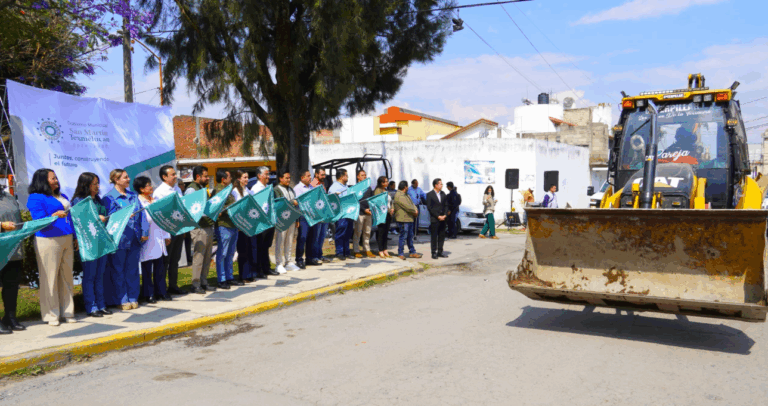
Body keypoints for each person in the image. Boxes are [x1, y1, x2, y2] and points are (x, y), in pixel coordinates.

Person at [27, 169, 76, 325]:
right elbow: (38, 220)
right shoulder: (35, 197)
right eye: (52, 178)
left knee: (67, 277)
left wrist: (74, 236)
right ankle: (51, 315)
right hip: (48, 239)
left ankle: (68, 312)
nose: (56, 180)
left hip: (67, 237)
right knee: (50, 278)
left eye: (56, 178)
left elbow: (71, 218)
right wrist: (53, 216)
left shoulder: (62, 196)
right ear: (43, 181)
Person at [103, 169, 148, 311]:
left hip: (134, 237)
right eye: (125, 177)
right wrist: (122, 215)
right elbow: (107, 218)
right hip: (119, 239)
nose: (128, 179)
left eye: (128, 177)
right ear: (116, 180)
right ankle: (121, 299)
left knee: (132, 269)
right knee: (118, 270)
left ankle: (133, 297)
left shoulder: (133, 196)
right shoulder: (109, 198)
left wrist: (144, 231)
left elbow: (141, 213)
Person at [70, 172, 112, 317]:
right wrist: (96, 218)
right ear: (85, 185)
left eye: (98, 183)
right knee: (90, 276)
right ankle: (91, 307)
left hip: (100, 241)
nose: (97, 186)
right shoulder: (79, 201)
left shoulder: (98, 200)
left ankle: (101, 304)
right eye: (94, 184)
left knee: (100, 275)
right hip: (88, 243)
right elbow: (78, 221)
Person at [135, 176, 171, 303]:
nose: (151, 187)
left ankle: (161, 291)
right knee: (147, 269)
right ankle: (148, 293)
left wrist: (167, 235)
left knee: (160, 267)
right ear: (141, 189)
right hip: (147, 239)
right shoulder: (139, 203)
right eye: (148, 185)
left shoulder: (155, 200)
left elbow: (163, 219)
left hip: (159, 237)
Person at [153, 165, 187, 296]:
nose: (175, 176)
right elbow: (160, 214)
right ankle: (161, 289)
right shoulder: (159, 192)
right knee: (165, 261)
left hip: (178, 228)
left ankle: (173, 285)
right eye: (172, 174)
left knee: (175, 259)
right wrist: (165, 234)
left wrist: (183, 227)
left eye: (175, 174)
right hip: (167, 230)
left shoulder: (177, 189)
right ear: (164, 177)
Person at [185, 166, 219, 293]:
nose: (207, 178)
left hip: (207, 226)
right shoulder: (191, 190)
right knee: (199, 257)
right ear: (198, 176)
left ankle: (204, 282)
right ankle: (195, 284)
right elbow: (190, 209)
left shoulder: (202, 189)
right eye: (205, 176)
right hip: (199, 228)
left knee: (207, 257)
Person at [0, 185, 27, 332]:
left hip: (12, 248)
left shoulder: (8, 196)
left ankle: (10, 317)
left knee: (11, 285)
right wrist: (1, 225)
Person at [214, 170, 242, 289]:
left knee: (230, 253)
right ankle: (222, 279)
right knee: (223, 253)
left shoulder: (228, 190)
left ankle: (229, 277)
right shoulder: (219, 191)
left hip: (232, 225)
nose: (231, 179)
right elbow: (217, 208)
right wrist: (232, 207)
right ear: (223, 179)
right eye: (229, 177)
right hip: (223, 225)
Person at [251, 166, 277, 276]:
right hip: (260, 222)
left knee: (266, 246)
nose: (268, 176)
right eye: (266, 174)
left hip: (269, 221)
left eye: (268, 174)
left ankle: (267, 268)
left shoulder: (268, 188)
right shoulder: (255, 189)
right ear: (259, 175)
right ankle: (259, 270)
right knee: (260, 246)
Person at [274, 170, 300, 273]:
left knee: (289, 241)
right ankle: (279, 263)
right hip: (281, 220)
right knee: (280, 241)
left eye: (289, 178)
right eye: (286, 178)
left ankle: (288, 261)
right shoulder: (276, 190)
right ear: (280, 178)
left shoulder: (291, 190)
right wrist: (291, 202)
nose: (288, 180)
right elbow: (279, 204)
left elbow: (296, 206)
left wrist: (297, 219)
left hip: (291, 219)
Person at [232, 170, 256, 283]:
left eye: (247, 177)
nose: (247, 179)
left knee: (250, 249)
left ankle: (250, 273)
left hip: (249, 224)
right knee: (243, 250)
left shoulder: (248, 190)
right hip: (241, 225)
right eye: (244, 177)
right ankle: (244, 275)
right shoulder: (235, 191)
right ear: (239, 179)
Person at [294, 170, 319, 269]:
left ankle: (310, 258)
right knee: (302, 238)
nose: (310, 178)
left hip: (313, 216)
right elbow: (297, 204)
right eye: (308, 176)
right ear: (302, 177)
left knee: (312, 238)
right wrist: (297, 219)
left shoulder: (311, 187)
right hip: (303, 217)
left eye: (310, 176)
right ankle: (299, 260)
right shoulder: (298, 188)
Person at [394, 181, 422, 260]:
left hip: (409, 219)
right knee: (403, 237)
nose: (408, 188)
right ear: (405, 187)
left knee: (410, 237)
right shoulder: (399, 195)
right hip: (403, 219)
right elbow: (407, 206)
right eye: (407, 186)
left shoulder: (406, 195)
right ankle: (400, 253)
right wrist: (414, 211)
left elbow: (412, 204)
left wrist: (416, 210)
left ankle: (412, 252)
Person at [328, 168, 353, 260]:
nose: (348, 177)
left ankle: (347, 252)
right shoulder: (334, 187)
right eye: (346, 175)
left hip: (348, 213)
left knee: (347, 233)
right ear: (342, 177)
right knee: (340, 232)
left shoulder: (345, 186)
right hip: (341, 214)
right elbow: (331, 200)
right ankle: (339, 252)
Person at [310, 168, 331, 264]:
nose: (324, 176)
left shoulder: (322, 184)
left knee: (322, 236)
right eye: (322, 174)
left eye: (324, 174)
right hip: (317, 214)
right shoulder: (313, 185)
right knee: (316, 236)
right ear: (316, 174)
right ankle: (314, 256)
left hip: (324, 213)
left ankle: (319, 255)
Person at [353, 170, 374, 259]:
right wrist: (364, 209)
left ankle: (367, 249)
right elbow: (355, 201)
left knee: (367, 232)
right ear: (358, 177)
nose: (364, 177)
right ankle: (356, 250)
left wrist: (371, 209)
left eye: (365, 175)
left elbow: (372, 199)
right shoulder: (355, 188)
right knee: (358, 232)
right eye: (362, 175)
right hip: (360, 213)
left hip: (368, 213)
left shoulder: (368, 188)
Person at [425, 178, 449, 260]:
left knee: (442, 236)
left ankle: (440, 251)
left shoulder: (443, 194)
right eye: (440, 184)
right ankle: (434, 252)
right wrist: (438, 216)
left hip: (443, 218)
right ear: (436, 185)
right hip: (435, 219)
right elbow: (430, 208)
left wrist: (445, 215)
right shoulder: (430, 194)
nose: (442, 185)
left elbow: (446, 205)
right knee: (434, 236)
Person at [373, 176, 395, 258]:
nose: (387, 183)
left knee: (386, 233)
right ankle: (380, 250)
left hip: (388, 214)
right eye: (386, 181)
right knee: (381, 232)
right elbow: (380, 203)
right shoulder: (378, 191)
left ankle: (385, 249)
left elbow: (390, 201)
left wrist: (392, 208)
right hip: (382, 214)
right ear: (381, 183)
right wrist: (389, 210)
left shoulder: (386, 191)